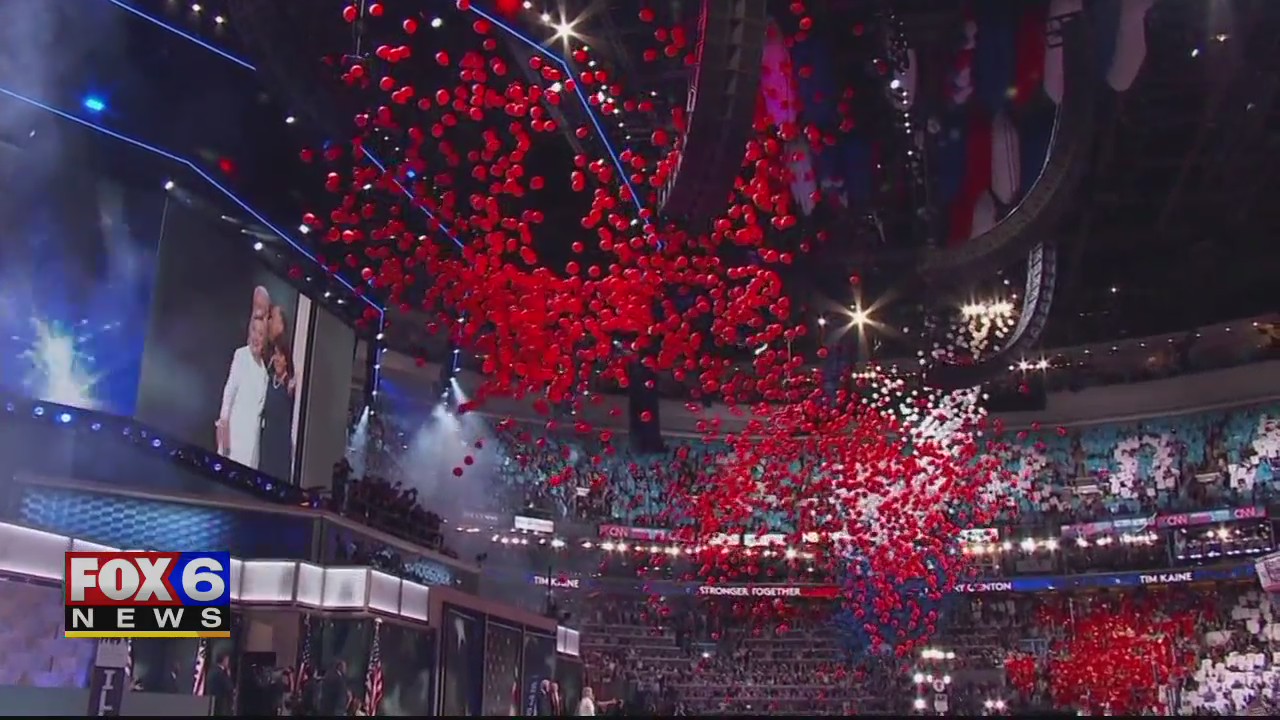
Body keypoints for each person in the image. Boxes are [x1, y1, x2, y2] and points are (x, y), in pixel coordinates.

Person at [216, 287, 270, 468]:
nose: (256, 337)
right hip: (233, 439)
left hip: (251, 445)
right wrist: (223, 430)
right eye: (254, 331)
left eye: (261, 334)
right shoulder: (241, 355)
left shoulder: (264, 372)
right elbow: (228, 394)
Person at [259, 331, 296, 480]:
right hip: (266, 440)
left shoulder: (290, 385)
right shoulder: (267, 381)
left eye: (280, 355)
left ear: (287, 359)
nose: (277, 359)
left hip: (280, 444)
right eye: (275, 355)